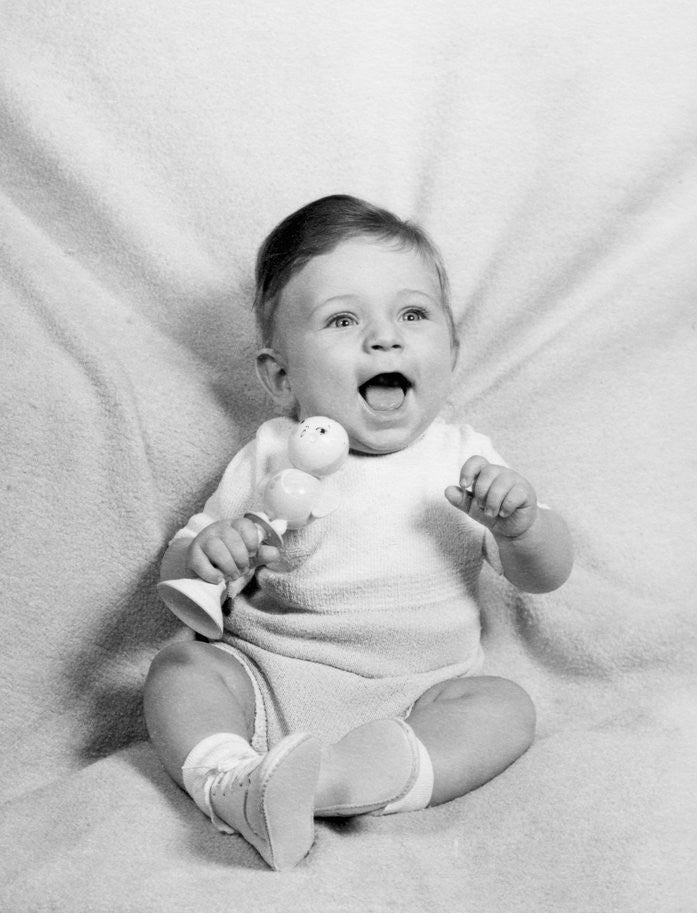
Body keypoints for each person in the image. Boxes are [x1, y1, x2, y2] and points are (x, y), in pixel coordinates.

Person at [144, 194, 574, 871]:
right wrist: (208, 553)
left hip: (420, 695)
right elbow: (181, 571)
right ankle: (232, 780)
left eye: (412, 314)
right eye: (342, 320)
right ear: (280, 376)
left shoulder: (462, 457)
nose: (384, 337)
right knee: (181, 668)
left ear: (451, 350)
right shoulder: (270, 456)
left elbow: (543, 574)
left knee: (504, 707)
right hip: (268, 681)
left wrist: (521, 527)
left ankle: (327, 784)